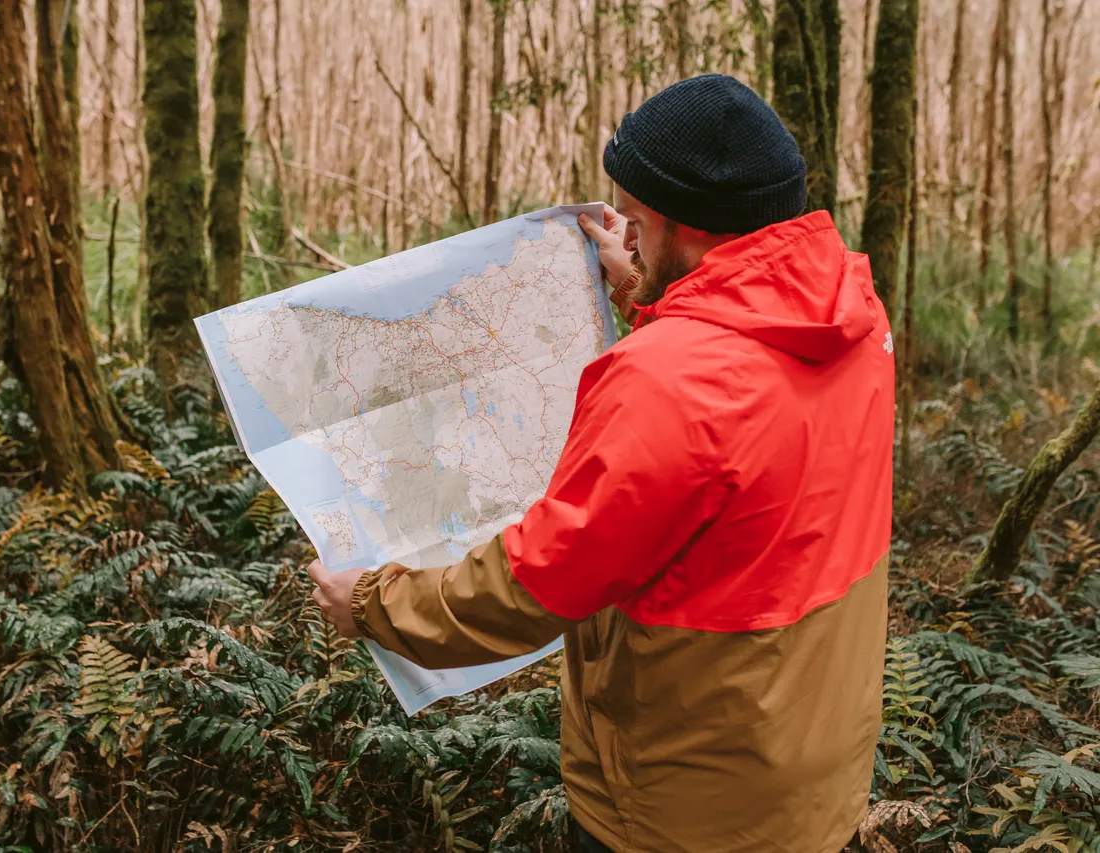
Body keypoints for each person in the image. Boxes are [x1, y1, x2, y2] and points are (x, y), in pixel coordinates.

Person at [308, 74, 894, 853]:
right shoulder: (850, 317)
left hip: (681, 807)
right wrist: (655, 293)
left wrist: (375, 604)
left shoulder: (667, 379)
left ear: (674, 223)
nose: (626, 233)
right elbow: (740, 404)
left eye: (637, 221)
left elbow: (537, 584)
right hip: (809, 778)